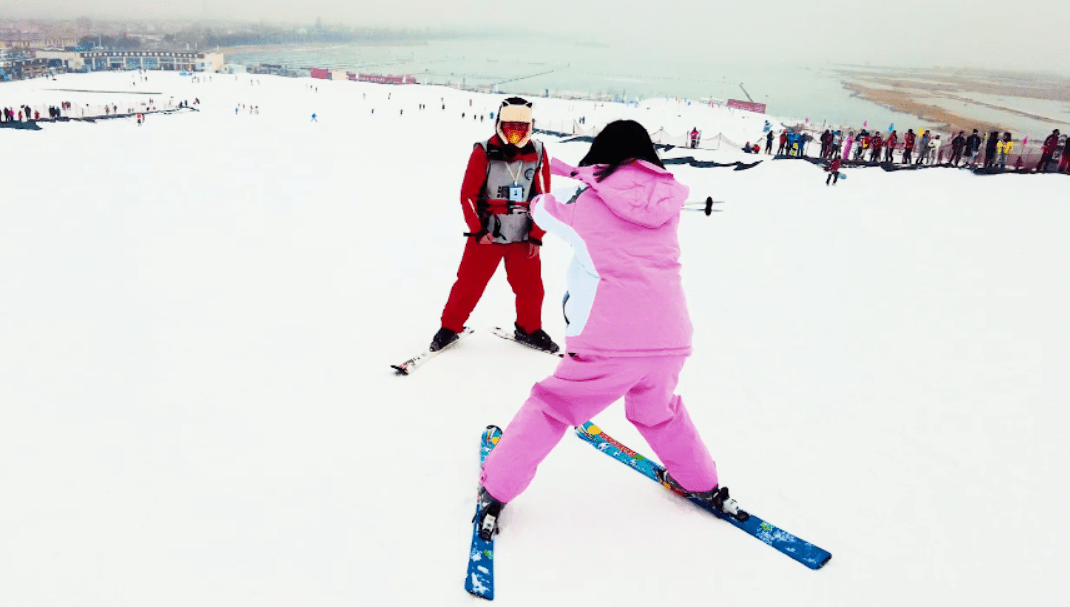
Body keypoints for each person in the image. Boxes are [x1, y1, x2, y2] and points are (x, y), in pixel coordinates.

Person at [474, 120, 737, 541]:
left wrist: (577, 179)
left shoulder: (583, 202)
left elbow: (539, 207)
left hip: (608, 340)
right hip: (669, 339)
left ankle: (497, 485)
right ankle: (703, 482)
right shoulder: (667, 203)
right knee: (659, 412)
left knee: (553, 406)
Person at [432, 97, 559, 354]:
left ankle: (529, 328)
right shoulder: (482, 151)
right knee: (469, 284)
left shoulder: (539, 153)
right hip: (487, 234)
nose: (515, 133)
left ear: (530, 127)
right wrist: (478, 229)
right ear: (500, 124)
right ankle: (450, 327)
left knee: (531, 288)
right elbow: (468, 194)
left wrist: (536, 235)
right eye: (510, 126)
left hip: (523, 235)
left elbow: (543, 199)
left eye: (521, 128)